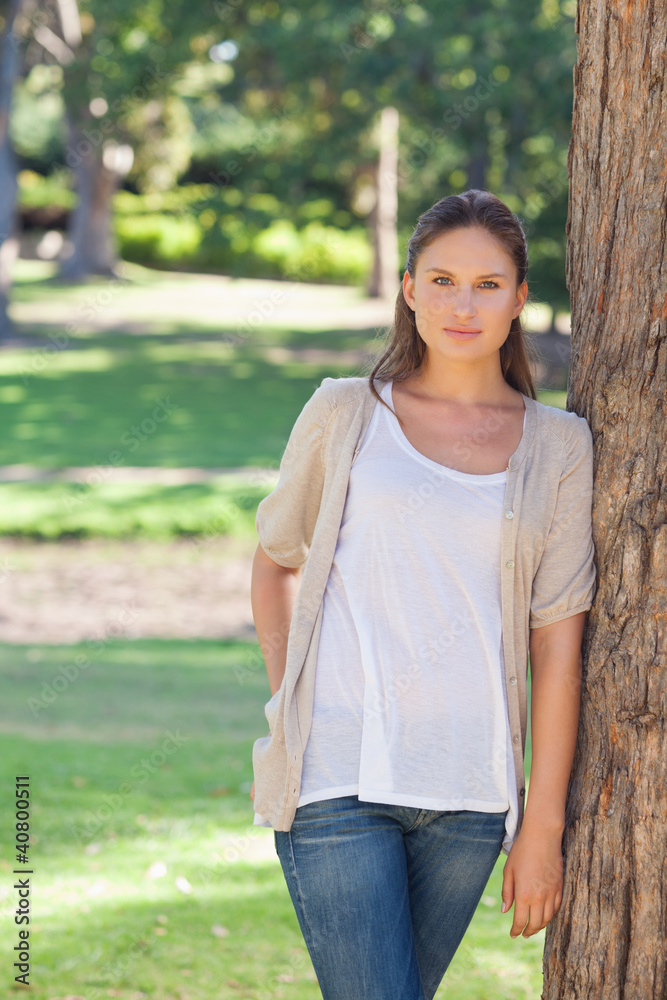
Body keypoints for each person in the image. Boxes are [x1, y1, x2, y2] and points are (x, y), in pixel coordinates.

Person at [249, 188, 596, 1000]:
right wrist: (290, 703)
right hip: (338, 781)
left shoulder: (558, 446)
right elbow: (275, 562)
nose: (461, 304)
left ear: (518, 297)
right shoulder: (345, 413)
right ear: (408, 289)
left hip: (469, 796)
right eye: (440, 280)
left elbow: (557, 643)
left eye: (485, 284)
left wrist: (540, 822)